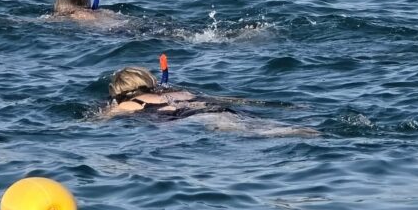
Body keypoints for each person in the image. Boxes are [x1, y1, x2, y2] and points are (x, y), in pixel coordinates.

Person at [103, 59, 319, 136]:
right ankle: (300, 129)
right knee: (262, 126)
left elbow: (98, 121)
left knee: (252, 133)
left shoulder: (130, 105)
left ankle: (296, 133)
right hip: (217, 108)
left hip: (196, 118)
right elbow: (229, 101)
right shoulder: (179, 92)